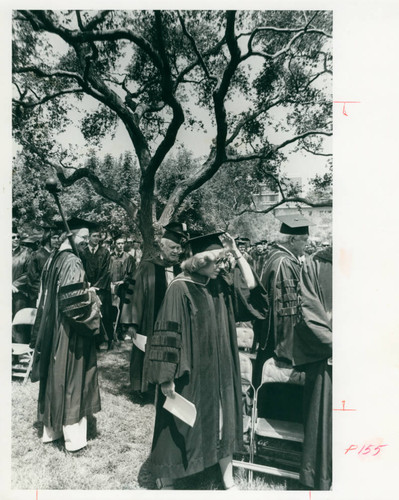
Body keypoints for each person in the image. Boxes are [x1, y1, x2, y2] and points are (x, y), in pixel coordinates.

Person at [145, 232, 268, 489]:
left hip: (222, 369)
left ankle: (227, 478)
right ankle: (168, 475)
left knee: (224, 421)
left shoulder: (219, 285)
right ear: (200, 261)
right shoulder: (180, 288)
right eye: (216, 262)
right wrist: (166, 377)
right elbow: (167, 334)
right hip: (193, 373)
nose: (222, 267)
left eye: (223, 262)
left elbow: (255, 294)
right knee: (181, 427)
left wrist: (237, 253)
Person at [30, 218, 102, 453]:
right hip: (69, 331)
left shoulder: (53, 258)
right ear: (70, 236)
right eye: (82, 236)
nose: (84, 240)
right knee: (72, 377)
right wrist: (92, 299)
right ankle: (73, 439)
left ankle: (52, 432)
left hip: (53, 326)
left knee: (56, 377)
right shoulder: (71, 261)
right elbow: (74, 307)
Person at [120, 222, 188, 399]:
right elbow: (134, 296)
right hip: (150, 320)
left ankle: (169, 382)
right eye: (173, 247)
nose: (176, 251)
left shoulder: (182, 269)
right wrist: (132, 323)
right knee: (145, 352)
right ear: (162, 246)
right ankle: (143, 389)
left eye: (179, 248)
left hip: (173, 322)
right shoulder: (148, 267)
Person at [253, 214, 314, 388]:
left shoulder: (276, 257)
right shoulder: (284, 263)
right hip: (278, 340)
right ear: (293, 240)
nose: (307, 244)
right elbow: (286, 309)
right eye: (304, 239)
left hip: (272, 336)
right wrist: (287, 348)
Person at [293, 245, 332, 490]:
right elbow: (308, 310)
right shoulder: (316, 263)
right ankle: (321, 479)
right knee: (323, 419)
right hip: (325, 359)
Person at [81, 223, 113, 349]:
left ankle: (104, 341)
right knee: (88, 314)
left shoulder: (105, 252)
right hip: (86, 288)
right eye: (94, 236)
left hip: (101, 290)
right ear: (88, 237)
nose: (96, 238)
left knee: (103, 314)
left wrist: (96, 287)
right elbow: (80, 270)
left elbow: (107, 272)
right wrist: (87, 285)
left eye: (98, 236)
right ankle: (90, 341)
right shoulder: (82, 252)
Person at [110, 237, 136, 340]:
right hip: (111, 286)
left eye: (122, 243)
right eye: (118, 243)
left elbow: (131, 273)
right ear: (115, 244)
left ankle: (122, 332)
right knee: (112, 309)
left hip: (123, 287)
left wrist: (123, 281)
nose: (120, 245)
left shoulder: (128, 258)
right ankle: (112, 333)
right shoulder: (110, 257)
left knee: (122, 309)